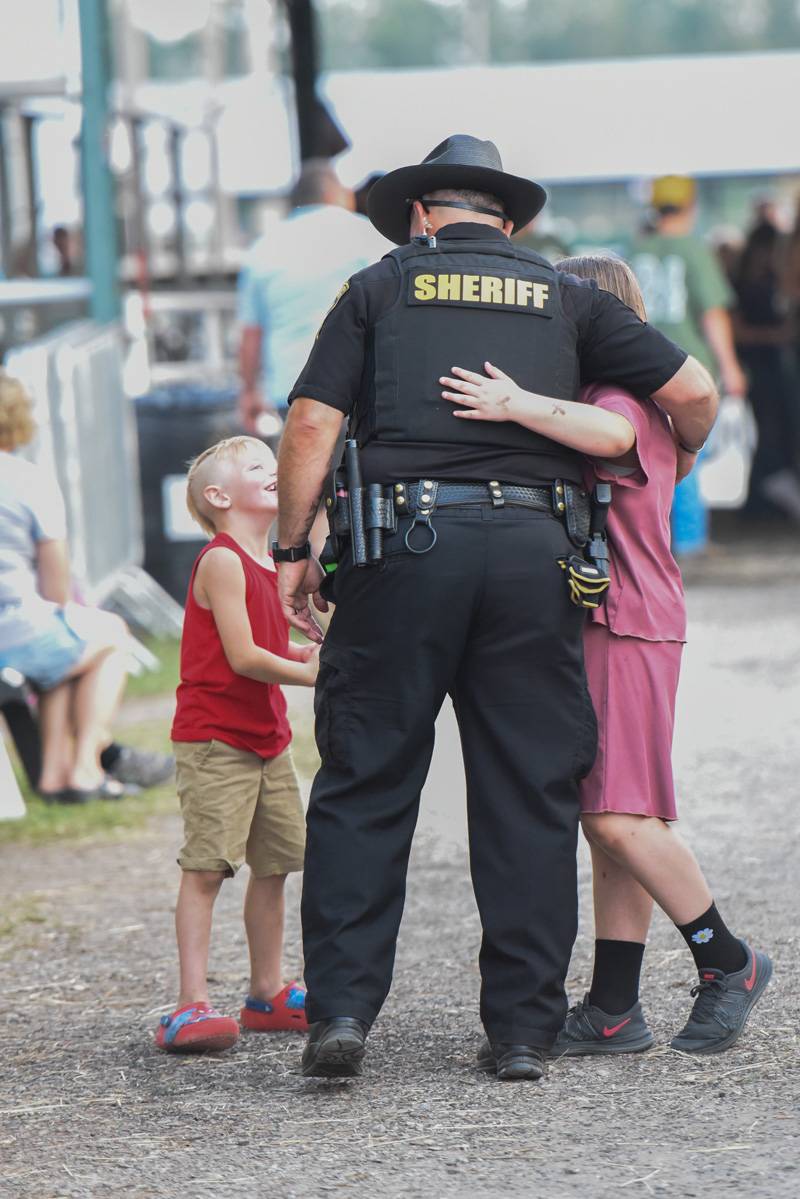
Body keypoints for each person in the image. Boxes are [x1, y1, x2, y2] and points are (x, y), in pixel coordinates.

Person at [273, 135, 718, 1083]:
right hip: (534, 560)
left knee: (366, 779)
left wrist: (290, 546)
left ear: (424, 214)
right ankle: (521, 1029)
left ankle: (343, 1014)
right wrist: (676, 459)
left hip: (399, 556)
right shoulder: (571, 297)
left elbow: (313, 420)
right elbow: (692, 391)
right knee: (526, 789)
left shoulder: (380, 286)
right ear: (509, 222)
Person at [442, 254, 772, 1057]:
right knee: (613, 814)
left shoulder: (616, 396)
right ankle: (615, 1006)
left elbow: (614, 435)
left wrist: (514, 402)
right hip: (622, 620)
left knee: (618, 816)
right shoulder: (640, 402)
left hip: (624, 621)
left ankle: (728, 962)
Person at [157, 436, 319, 1054]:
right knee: (206, 869)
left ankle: (266, 992)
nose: (275, 471)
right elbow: (246, 657)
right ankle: (189, 1004)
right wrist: (311, 673)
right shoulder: (222, 560)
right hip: (216, 740)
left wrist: (304, 652)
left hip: (266, 740)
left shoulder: (271, 561)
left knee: (274, 866)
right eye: (259, 467)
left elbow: (271, 643)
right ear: (220, 497)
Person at [0, 373, 166, 803]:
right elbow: (56, 590)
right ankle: (88, 766)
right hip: (15, 633)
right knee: (109, 636)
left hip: (22, 638)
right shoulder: (25, 481)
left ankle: (56, 776)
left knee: (68, 653)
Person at [630, 176, 747, 555]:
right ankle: (691, 543)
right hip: (691, 367)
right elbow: (713, 314)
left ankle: (657, 540)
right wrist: (731, 367)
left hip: (643, 366)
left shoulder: (634, 247)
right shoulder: (694, 251)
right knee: (689, 453)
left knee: (651, 456)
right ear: (691, 207)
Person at [236, 159, 388, 435]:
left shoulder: (263, 247)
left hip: (290, 394)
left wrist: (248, 391)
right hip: (362, 389)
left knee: (300, 477)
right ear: (336, 194)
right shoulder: (369, 236)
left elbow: (251, 334)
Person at [733, 221, 800, 520]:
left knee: (776, 430)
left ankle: (767, 498)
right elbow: (737, 329)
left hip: (772, 368)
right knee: (770, 430)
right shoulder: (748, 287)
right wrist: (777, 335)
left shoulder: (770, 283)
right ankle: (770, 493)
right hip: (759, 369)